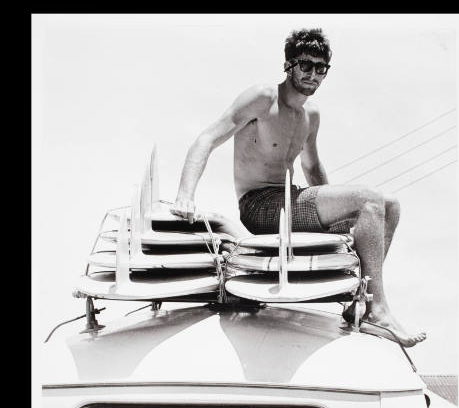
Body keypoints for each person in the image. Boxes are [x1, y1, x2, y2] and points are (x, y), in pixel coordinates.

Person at [172, 28, 426, 347]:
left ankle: (354, 298)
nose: (313, 75)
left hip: (291, 201)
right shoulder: (264, 98)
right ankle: (377, 309)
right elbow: (207, 139)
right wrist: (185, 194)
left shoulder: (310, 117)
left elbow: (312, 168)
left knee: (389, 206)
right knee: (370, 199)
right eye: (306, 65)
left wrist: (339, 221)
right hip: (259, 205)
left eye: (321, 69)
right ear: (289, 65)